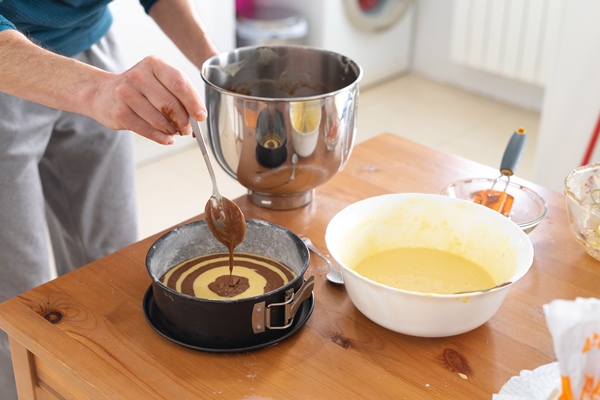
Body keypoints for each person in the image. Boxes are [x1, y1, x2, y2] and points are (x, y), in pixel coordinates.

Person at [0, 1, 219, 397]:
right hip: (7, 62)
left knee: (112, 270)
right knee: (16, 307)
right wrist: (97, 90)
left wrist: (221, 68)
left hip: (93, 46)